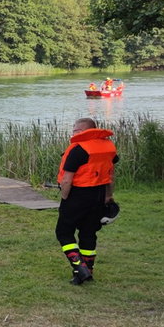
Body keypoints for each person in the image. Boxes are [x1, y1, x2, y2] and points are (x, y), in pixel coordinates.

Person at [55, 117, 117, 285]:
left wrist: (65, 197)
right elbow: (110, 174)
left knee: (64, 232)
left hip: (77, 194)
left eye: (74, 130)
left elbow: (67, 179)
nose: (72, 133)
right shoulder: (108, 147)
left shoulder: (78, 149)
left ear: (81, 131)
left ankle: (79, 268)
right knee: (88, 233)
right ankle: (88, 270)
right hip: (98, 194)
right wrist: (108, 195)